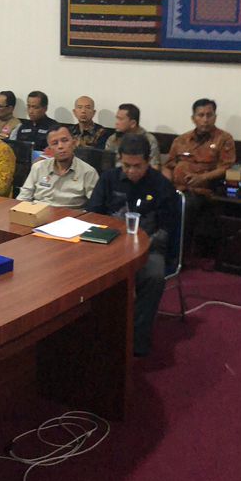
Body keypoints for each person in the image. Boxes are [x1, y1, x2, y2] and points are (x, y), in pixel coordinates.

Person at [87, 135, 181, 358]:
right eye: (126, 165)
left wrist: (143, 245)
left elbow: (167, 228)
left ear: (148, 161)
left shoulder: (161, 185)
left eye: (137, 166)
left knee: (153, 277)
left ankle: (137, 339)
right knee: (83, 270)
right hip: (109, 244)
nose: (131, 171)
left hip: (149, 246)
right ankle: (96, 333)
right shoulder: (109, 179)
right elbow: (93, 213)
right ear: (120, 159)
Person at [165, 98, 236, 195]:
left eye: (209, 115)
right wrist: (166, 185)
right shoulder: (181, 140)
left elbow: (225, 167)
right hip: (176, 189)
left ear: (215, 117)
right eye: (201, 115)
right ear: (193, 118)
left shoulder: (224, 139)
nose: (205, 120)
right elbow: (168, 166)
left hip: (203, 191)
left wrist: (202, 177)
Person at [18, 124, 100, 208]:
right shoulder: (38, 167)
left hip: (69, 214)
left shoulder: (88, 172)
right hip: (38, 211)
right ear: (49, 148)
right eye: (55, 143)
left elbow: (95, 206)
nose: (60, 146)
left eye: (65, 140)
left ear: (74, 143)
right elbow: (23, 197)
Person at [104, 103, 163, 171]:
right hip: (116, 175)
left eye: (120, 119)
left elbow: (155, 167)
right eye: (117, 118)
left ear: (133, 123)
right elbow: (105, 164)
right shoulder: (113, 139)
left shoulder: (149, 139)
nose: (116, 123)